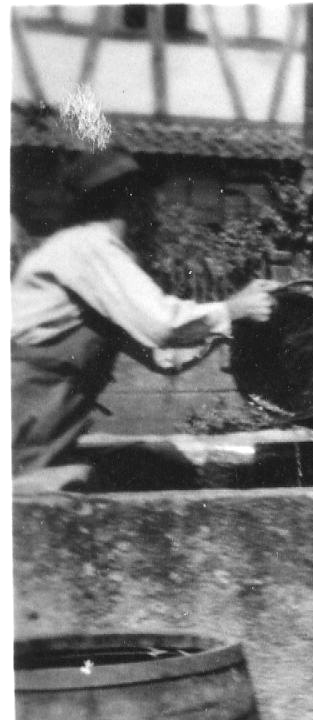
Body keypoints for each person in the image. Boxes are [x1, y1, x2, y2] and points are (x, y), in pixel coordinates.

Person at [12, 146, 277, 482]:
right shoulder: (88, 247)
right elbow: (163, 325)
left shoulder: (96, 258)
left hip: (42, 438)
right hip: (21, 438)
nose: (153, 207)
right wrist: (231, 308)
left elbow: (163, 355)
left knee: (165, 463)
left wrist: (229, 323)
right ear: (128, 199)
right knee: (90, 485)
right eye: (146, 196)